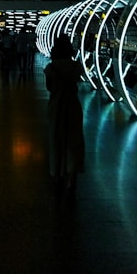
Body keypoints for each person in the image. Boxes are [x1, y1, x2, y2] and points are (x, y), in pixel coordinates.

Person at [44, 34, 84, 193]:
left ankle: (57, 174)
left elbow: (49, 88)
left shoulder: (51, 68)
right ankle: (72, 176)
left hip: (56, 106)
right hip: (73, 106)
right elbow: (77, 83)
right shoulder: (76, 66)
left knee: (56, 140)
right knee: (73, 141)